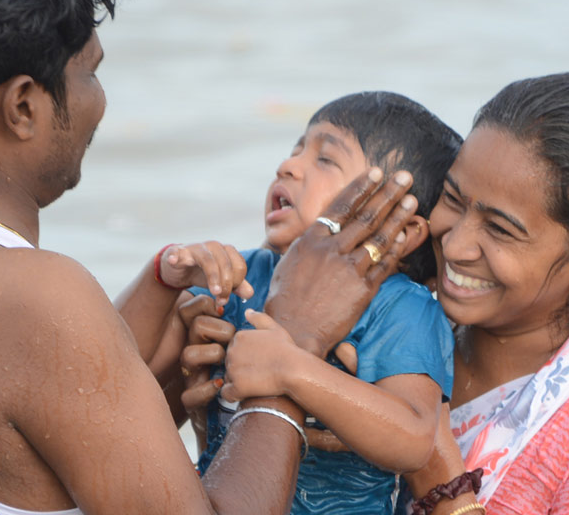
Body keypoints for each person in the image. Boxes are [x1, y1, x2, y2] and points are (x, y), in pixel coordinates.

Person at [0, 0, 422, 513]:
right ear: (23, 107)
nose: (98, 100)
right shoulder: (33, 295)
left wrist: (160, 291)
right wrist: (296, 336)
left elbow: (47, 401)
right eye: (90, 70)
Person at [220, 72, 569, 515]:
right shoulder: (392, 325)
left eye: (500, 229)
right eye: (453, 199)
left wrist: (438, 480)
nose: (454, 244)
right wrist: (226, 397)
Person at [132, 92, 462, 515]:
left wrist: (293, 369)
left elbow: (414, 438)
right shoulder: (244, 274)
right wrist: (164, 281)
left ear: (401, 231)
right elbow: (123, 377)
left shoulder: (403, 309)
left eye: (325, 159)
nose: (287, 166)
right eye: (296, 149)